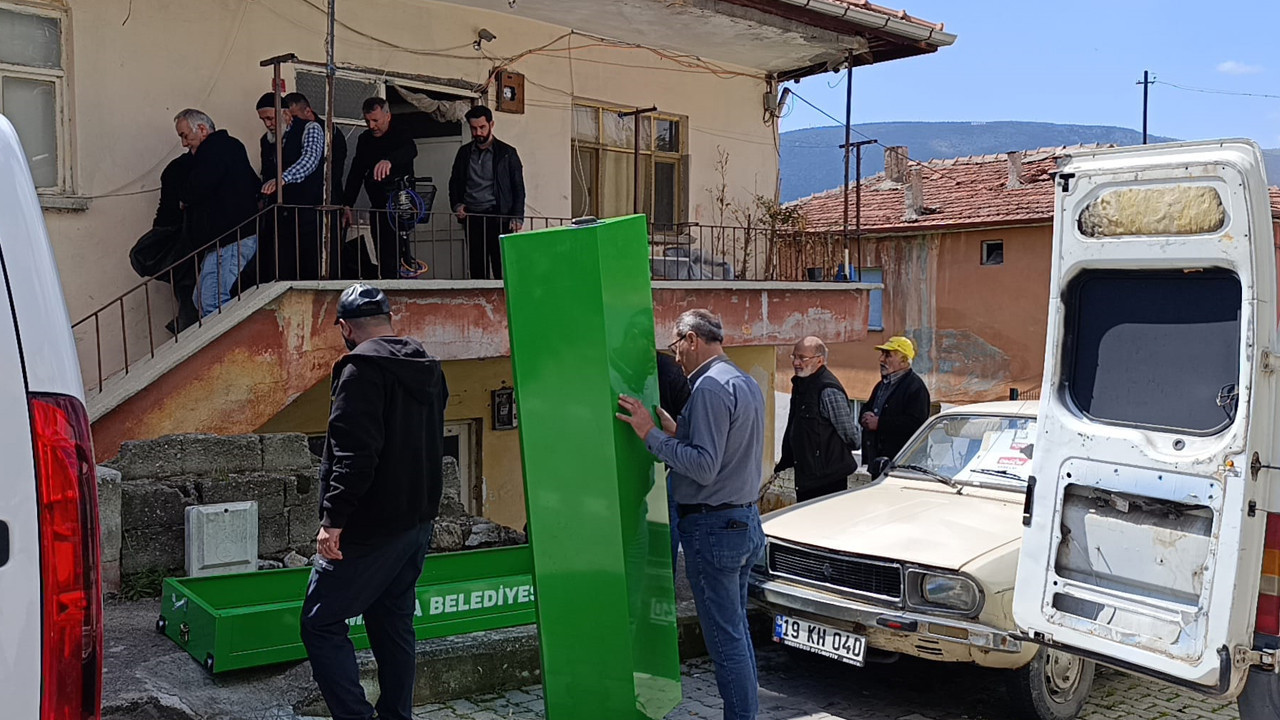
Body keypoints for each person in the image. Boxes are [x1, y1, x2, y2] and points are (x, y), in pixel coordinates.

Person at [300, 283, 449, 720]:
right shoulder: (430, 365)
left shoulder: (360, 370)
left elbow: (353, 453)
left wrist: (334, 520)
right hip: (416, 521)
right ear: (388, 319)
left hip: (372, 526)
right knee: (393, 622)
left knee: (320, 622)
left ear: (345, 327)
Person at [617, 309, 766, 720]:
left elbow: (703, 466)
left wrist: (650, 434)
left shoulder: (709, 389)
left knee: (725, 642)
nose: (675, 355)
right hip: (743, 521)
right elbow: (726, 450)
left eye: (675, 345)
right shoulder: (743, 381)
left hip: (713, 527)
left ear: (692, 339)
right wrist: (680, 433)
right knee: (736, 636)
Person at [174, 109, 259, 317]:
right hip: (226, 240)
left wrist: (184, 197)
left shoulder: (214, 150)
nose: (184, 144)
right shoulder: (230, 147)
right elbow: (254, 183)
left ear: (202, 129)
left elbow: (196, 187)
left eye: (185, 136)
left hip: (229, 239)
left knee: (212, 301)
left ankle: (228, 348)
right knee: (202, 299)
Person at [775, 336, 860, 502]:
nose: (796, 363)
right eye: (794, 357)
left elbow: (851, 435)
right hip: (807, 476)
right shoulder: (801, 385)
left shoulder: (828, 389)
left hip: (828, 479)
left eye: (802, 358)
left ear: (819, 360)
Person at [341, 97, 418, 280]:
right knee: (382, 254)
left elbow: (411, 151)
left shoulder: (401, 132)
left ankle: (401, 280)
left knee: (397, 250)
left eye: (376, 120)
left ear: (388, 116)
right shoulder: (365, 139)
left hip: (400, 205)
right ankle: (387, 283)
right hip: (377, 204)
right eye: (367, 121)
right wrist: (347, 203)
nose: (371, 126)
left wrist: (389, 160)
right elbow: (356, 172)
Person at [448, 105, 525, 280]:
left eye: (482, 127)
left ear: (491, 124)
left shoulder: (507, 153)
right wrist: (457, 205)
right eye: (473, 128)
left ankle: (503, 305)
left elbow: (518, 187)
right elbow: (455, 183)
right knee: (476, 267)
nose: (478, 132)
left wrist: (517, 217)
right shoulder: (464, 153)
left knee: (501, 266)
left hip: (499, 216)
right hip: (472, 216)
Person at [128, 151, 200, 335]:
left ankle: (186, 327)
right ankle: (188, 328)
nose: (184, 142)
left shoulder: (176, 168)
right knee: (193, 289)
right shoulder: (185, 169)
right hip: (190, 242)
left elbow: (165, 212)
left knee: (188, 290)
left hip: (185, 245)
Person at [259, 94, 325, 280]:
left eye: (270, 118)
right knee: (281, 268)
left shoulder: (310, 128)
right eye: (263, 120)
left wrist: (283, 179)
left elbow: (310, 160)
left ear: (286, 113)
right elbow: (266, 172)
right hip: (280, 215)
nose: (267, 124)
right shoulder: (267, 140)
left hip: (307, 210)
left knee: (308, 267)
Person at [860, 335, 930, 465]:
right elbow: (868, 407)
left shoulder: (915, 387)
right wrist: (865, 415)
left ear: (903, 361)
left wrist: (880, 423)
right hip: (878, 462)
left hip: (901, 465)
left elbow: (915, 424)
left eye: (888, 355)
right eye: (882, 354)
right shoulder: (882, 385)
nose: (881, 359)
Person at [657, 350, 690, 570]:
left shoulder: (668, 369)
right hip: (667, 459)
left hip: (669, 461)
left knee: (667, 524)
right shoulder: (670, 368)